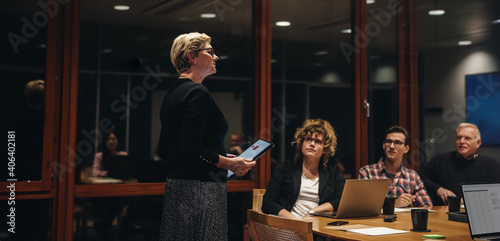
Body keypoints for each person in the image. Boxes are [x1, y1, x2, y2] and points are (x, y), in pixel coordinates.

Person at [158, 32, 255, 241]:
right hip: (200, 189)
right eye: (210, 52)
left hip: (177, 187)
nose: (216, 57)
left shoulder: (173, 92)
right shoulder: (197, 93)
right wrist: (227, 164)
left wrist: (219, 155)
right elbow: (190, 149)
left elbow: (165, 149)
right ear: (192, 57)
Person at [261, 118, 345, 220]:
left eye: (318, 141)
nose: (312, 144)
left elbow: (342, 201)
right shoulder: (287, 168)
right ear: (302, 143)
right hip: (289, 225)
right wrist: (295, 220)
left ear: (325, 149)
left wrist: (313, 211)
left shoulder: (333, 171)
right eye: (308, 139)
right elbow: (268, 203)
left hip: (319, 226)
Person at [418, 123, 500, 206]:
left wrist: (467, 201)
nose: (461, 141)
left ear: (478, 143)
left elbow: (496, 194)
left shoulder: (491, 165)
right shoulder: (440, 160)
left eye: (467, 138)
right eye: (459, 138)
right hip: (444, 213)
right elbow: (419, 177)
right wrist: (438, 189)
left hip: (479, 211)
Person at [358, 126, 432, 208]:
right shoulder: (367, 172)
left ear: (406, 149)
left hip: (405, 220)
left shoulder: (412, 176)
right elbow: (362, 207)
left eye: (397, 142)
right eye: (388, 141)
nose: (392, 146)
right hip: (376, 221)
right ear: (383, 145)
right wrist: (393, 204)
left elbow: (427, 206)